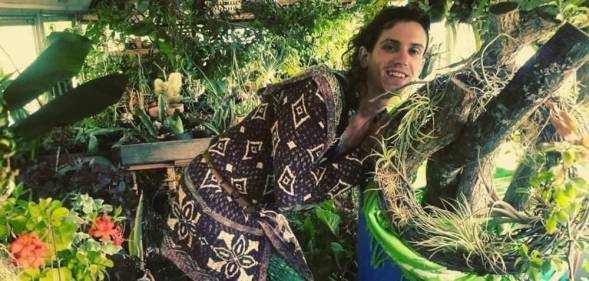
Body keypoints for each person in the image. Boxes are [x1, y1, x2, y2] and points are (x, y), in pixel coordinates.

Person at [161, 6, 430, 281]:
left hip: (258, 208)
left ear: (422, 64)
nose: (402, 58)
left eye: (414, 51)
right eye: (390, 46)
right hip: (217, 194)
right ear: (364, 56)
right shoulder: (320, 93)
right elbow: (292, 193)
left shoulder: (381, 123)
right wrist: (363, 154)